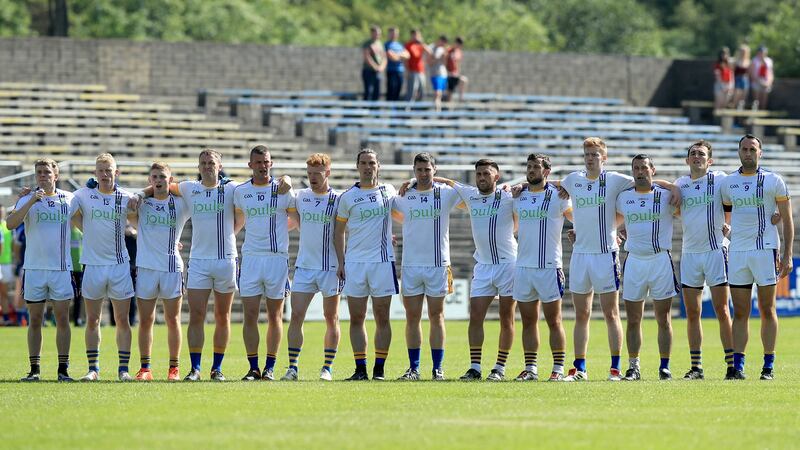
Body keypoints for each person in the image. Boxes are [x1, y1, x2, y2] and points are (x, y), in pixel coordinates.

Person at [559, 137, 681, 382]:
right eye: (587, 154)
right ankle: (579, 368)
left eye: (595, 154)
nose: (591, 158)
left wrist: (673, 186)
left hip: (609, 254)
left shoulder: (617, 181)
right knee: (581, 314)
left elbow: (646, 183)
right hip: (582, 254)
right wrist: (515, 188)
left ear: (604, 157)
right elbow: (550, 184)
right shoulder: (573, 180)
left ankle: (616, 368)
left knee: (613, 314)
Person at [434, 160, 518, 381]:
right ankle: (475, 367)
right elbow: (448, 181)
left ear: (496, 177)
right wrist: (411, 182)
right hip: (483, 266)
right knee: (476, 316)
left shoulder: (508, 196)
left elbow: (532, 187)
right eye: (479, 174)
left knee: (506, 317)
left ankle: (499, 367)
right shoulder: (470, 194)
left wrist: (522, 186)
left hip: (508, 264)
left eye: (486, 174)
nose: (482, 177)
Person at [720, 134, 793, 380]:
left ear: (760, 153)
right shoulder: (728, 183)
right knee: (740, 311)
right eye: (744, 149)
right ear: (739, 152)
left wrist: (788, 254)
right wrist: (727, 229)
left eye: (752, 149)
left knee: (767, 309)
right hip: (738, 252)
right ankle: (737, 367)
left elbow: (787, 219)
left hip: (765, 250)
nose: (748, 153)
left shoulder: (774, 180)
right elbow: (725, 212)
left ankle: (768, 366)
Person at [392, 153, 463, 380]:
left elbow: (468, 192)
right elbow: (386, 211)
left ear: (435, 169)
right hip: (411, 265)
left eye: (427, 170)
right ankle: (414, 368)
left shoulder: (445, 194)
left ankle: (437, 368)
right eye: (419, 170)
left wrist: (444, 180)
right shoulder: (404, 196)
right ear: (414, 170)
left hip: (438, 265)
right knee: (412, 317)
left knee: (437, 316)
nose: (423, 174)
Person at [6, 159, 77, 381]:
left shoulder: (69, 198)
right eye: (39, 172)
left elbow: (86, 219)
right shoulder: (28, 198)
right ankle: (34, 370)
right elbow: (10, 223)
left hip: (61, 269)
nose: (43, 175)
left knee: (62, 318)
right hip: (35, 269)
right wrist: (29, 202)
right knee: (35, 319)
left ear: (56, 175)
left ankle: (63, 369)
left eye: (47, 172)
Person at [334, 148, 399, 381]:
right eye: (363, 162)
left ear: (378, 166)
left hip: (382, 262)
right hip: (355, 263)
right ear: (357, 166)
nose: (368, 166)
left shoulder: (389, 191)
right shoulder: (348, 197)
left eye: (372, 162)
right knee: (357, 317)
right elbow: (339, 231)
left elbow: (405, 207)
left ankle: (379, 369)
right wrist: (341, 261)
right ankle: (360, 368)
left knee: (382, 316)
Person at [72, 153, 137, 382]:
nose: (105, 174)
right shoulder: (83, 194)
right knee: (93, 319)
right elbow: (68, 213)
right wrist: (86, 229)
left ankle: (123, 370)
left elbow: (142, 216)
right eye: (101, 170)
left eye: (109, 170)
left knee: (122, 320)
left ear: (116, 172)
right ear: (95, 173)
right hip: (94, 265)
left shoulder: (126, 196)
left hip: (119, 265)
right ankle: (93, 369)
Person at [234, 145, 297, 382]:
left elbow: (298, 220)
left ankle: (270, 367)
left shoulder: (283, 190)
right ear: (250, 165)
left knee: (275, 316)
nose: (262, 166)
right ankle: (253, 367)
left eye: (266, 162)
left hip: (276, 259)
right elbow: (237, 222)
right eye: (258, 162)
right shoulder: (240, 192)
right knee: (249, 315)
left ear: (271, 163)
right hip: (250, 259)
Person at [674, 140, 735, 380]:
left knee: (722, 309)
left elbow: (743, 190)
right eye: (693, 154)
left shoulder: (720, 179)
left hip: (715, 251)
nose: (697, 157)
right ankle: (696, 367)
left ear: (710, 161)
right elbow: (658, 186)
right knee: (692, 312)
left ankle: (732, 365)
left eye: (701, 154)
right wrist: (673, 187)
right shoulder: (680, 183)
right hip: (690, 254)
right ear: (687, 160)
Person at [617, 155, 679, 381]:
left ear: (653, 169)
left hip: (660, 260)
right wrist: (616, 232)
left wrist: (671, 185)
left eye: (644, 167)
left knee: (663, 318)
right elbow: (610, 219)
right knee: (633, 319)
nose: (640, 171)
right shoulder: (623, 198)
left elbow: (686, 214)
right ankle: (633, 367)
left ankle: (665, 366)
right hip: (634, 261)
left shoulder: (666, 195)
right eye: (636, 168)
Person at [128, 162, 190, 381]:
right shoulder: (142, 203)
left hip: (172, 267)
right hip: (146, 268)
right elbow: (126, 207)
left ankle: (174, 368)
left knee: (173, 320)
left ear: (170, 180)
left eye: (163, 176)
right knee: (146, 320)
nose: (159, 180)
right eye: (154, 176)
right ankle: (145, 368)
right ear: (149, 180)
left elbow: (196, 192)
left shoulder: (181, 204)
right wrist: (140, 193)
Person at [512, 154, 571, 382]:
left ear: (547, 171)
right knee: (528, 321)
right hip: (524, 267)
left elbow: (579, 217)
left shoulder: (559, 196)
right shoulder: (519, 196)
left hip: (549, 266)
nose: (531, 170)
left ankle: (558, 369)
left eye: (536, 167)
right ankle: (531, 369)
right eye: (528, 167)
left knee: (554, 320)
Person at [284, 153, 342, 381]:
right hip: (305, 267)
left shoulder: (339, 198)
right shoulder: (300, 196)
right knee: (296, 315)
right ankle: (292, 367)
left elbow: (349, 228)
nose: (312, 178)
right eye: (309, 174)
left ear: (327, 173)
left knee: (331, 317)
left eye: (317, 174)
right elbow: (290, 221)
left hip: (330, 267)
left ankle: (327, 367)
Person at [404, 29, 431, 102]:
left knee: (422, 90)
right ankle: (408, 108)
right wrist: (407, 70)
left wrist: (423, 43)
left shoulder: (421, 45)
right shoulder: (408, 45)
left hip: (420, 71)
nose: (417, 37)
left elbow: (429, 52)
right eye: (415, 35)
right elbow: (406, 59)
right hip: (412, 71)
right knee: (412, 91)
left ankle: (419, 109)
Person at [362, 25, 386, 101]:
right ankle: (366, 111)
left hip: (378, 72)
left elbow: (384, 57)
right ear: (372, 33)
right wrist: (375, 67)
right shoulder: (368, 44)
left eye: (379, 33)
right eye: (376, 33)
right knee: (369, 92)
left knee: (377, 92)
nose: (378, 35)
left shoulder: (380, 44)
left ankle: (375, 111)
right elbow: (367, 57)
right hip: (369, 71)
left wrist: (381, 67)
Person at [384, 27, 408, 101]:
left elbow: (407, 55)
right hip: (391, 71)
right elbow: (392, 57)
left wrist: (397, 55)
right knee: (391, 90)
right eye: (393, 33)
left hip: (400, 71)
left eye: (396, 33)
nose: (394, 35)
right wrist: (400, 55)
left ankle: (395, 109)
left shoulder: (400, 45)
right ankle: (389, 108)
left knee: (398, 90)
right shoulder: (387, 44)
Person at [0, 206, 15, 325]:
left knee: (4, 292)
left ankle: (5, 317)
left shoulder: (8, 226)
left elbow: (14, 244)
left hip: (6, 263)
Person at [750, 46, 774, 110]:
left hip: (766, 83)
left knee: (764, 101)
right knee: (756, 101)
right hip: (756, 82)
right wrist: (760, 82)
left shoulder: (769, 61)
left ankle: (762, 117)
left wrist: (768, 83)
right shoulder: (754, 60)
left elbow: (771, 73)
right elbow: (752, 73)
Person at [445, 37, 467, 103]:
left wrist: (457, 72)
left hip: (455, 74)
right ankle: (448, 109)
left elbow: (457, 63)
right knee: (449, 93)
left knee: (463, 80)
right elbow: (445, 61)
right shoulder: (449, 50)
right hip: (449, 74)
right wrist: (447, 72)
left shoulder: (459, 52)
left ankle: (461, 98)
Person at [430, 35, 449, 112]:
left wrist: (444, 56)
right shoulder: (432, 47)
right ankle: (437, 111)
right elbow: (431, 62)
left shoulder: (442, 49)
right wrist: (438, 57)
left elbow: (444, 63)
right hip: (436, 74)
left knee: (440, 94)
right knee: (437, 93)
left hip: (443, 74)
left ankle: (439, 110)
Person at [70, 225, 84, 326]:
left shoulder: (80, 233)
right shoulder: (65, 231)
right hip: (67, 269)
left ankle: (77, 319)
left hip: (79, 269)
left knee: (78, 297)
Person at [732, 43, 751, 109]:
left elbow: (749, 73)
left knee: (743, 98)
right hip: (737, 79)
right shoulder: (736, 61)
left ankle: (740, 113)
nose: (743, 53)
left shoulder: (748, 61)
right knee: (736, 96)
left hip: (745, 80)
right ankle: (734, 110)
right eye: (742, 51)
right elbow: (732, 72)